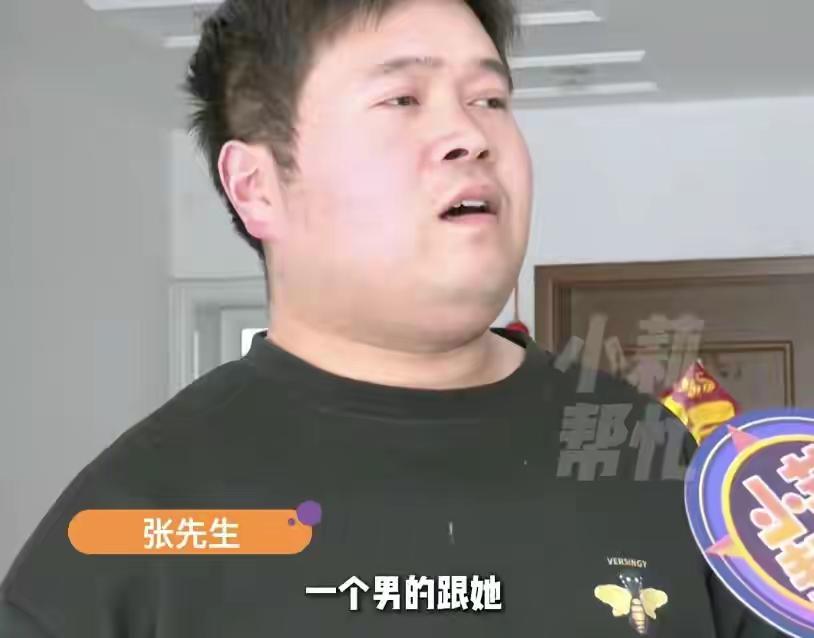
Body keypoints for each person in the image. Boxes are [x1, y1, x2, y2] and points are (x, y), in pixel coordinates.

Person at [0, 0, 780, 636]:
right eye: (403, 99)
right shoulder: (135, 516)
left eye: (490, 100)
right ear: (257, 186)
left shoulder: (655, 452)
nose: (471, 135)